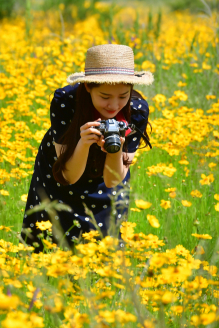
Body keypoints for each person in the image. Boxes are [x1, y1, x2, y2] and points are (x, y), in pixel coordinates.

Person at [21, 44, 153, 252]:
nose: (114, 105)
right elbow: (67, 176)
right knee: (52, 238)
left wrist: (115, 147)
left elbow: (113, 181)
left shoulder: (136, 111)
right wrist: (83, 143)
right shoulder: (65, 102)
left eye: (123, 96)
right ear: (88, 87)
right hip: (61, 170)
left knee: (106, 242)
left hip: (110, 171)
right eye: (105, 97)